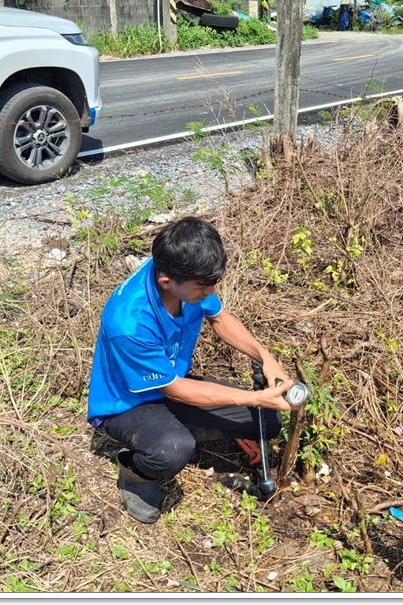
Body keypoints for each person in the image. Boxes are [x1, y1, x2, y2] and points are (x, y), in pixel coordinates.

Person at [87, 216, 294, 523]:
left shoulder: (186, 277)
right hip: (127, 403)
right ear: (166, 282)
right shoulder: (129, 323)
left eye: (213, 285)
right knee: (173, 450)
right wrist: (253, 398)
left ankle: (195, 425)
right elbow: (178, 391)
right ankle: (136, 471)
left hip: (174, 381)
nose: (210, 293)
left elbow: (221, 319)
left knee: (269, 420)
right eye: (203, 287)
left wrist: (265, 356)